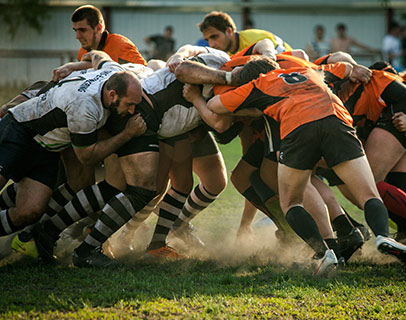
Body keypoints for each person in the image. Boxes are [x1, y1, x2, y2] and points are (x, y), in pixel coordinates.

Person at [203, 56, 406, 275]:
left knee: (291, 202)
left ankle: (323, 253)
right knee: (369, 193)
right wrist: (351, 69)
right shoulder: (307, 69)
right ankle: (383, 236)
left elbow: (215, 106)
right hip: (336, 121)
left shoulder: (258, 83)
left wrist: (253, 107)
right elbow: (344, 68)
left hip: (298, 129)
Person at [0, 50, 147, 238]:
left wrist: (72, 66)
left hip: (46, 149)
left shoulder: (113, 70)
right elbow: (87, 156)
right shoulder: (84, 107)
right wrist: (127, 134)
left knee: (30, 212)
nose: (132, 110)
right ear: (112, 95)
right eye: (129, 104)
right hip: (20, 130)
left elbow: (98, 54)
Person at [73, 5, 146, 65]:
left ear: (98, 28)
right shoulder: (82, 53)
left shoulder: (121, 46)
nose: (77, 36)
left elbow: (144, 73)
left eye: (83, 30)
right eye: (75, 30)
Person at [198, 11, 292, 56]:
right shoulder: (229, 55)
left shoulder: (257, 39)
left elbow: (285, 61)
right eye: (207, 40)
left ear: (229, 31)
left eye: (214, 37)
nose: (211, 44)